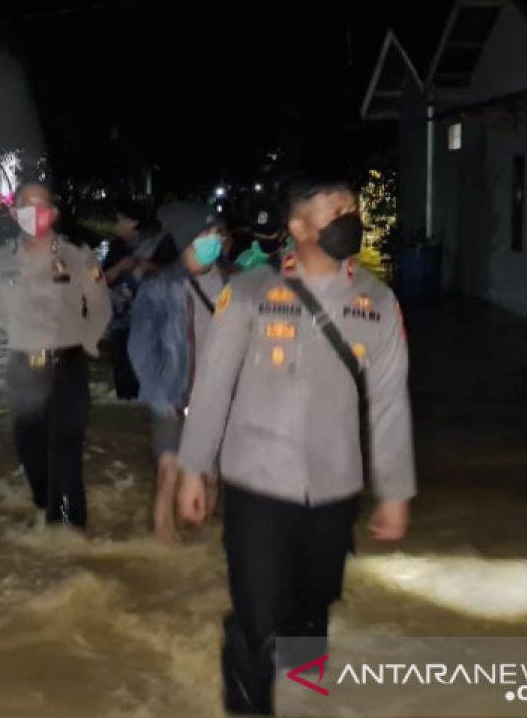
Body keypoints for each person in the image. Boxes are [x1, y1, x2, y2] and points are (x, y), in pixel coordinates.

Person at [176, 174, 415, 714]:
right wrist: (195, 468)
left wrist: (395, 492)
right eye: (334, 211)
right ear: (299, 228)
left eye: (351, 208)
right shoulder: (252, 293)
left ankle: (307, 697)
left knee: (313, 608)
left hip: (334, 485)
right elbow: (212, 385)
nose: (348, 218)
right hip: (256, 482)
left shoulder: (379, 302)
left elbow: (390, 403)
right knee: (258, 616)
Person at [0, 182, 113, 528]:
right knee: (29, 451)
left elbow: (101, 308)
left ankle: (70, 538)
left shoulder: (78, 257)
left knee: (65, 455)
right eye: (27, 205)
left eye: (42, 204)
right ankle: (45, 510)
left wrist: (84, 343)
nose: (35, 211)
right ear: (13, 213)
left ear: (54, 213)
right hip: (21, 369)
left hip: (67, 368)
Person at [128, 201, 230, 542]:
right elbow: (141, 348)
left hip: (219, 400)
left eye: (217, 233)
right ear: (187, 240)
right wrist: (162, 394)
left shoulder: (237, 283)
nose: (214, 240)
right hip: (172, 396)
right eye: (206, 235)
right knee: (168, 476)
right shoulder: (159, 287)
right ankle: (163, 557)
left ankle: (203, 554)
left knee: (212, 478)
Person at [102, 201, 149, 400]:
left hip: (148, 321)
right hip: (120, 322)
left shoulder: (153, 246)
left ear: (134, 222)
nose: (117, 225)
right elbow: (103, 280)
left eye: (121, 220)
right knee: (123, 372)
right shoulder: (116, 247)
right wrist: (120, 267)